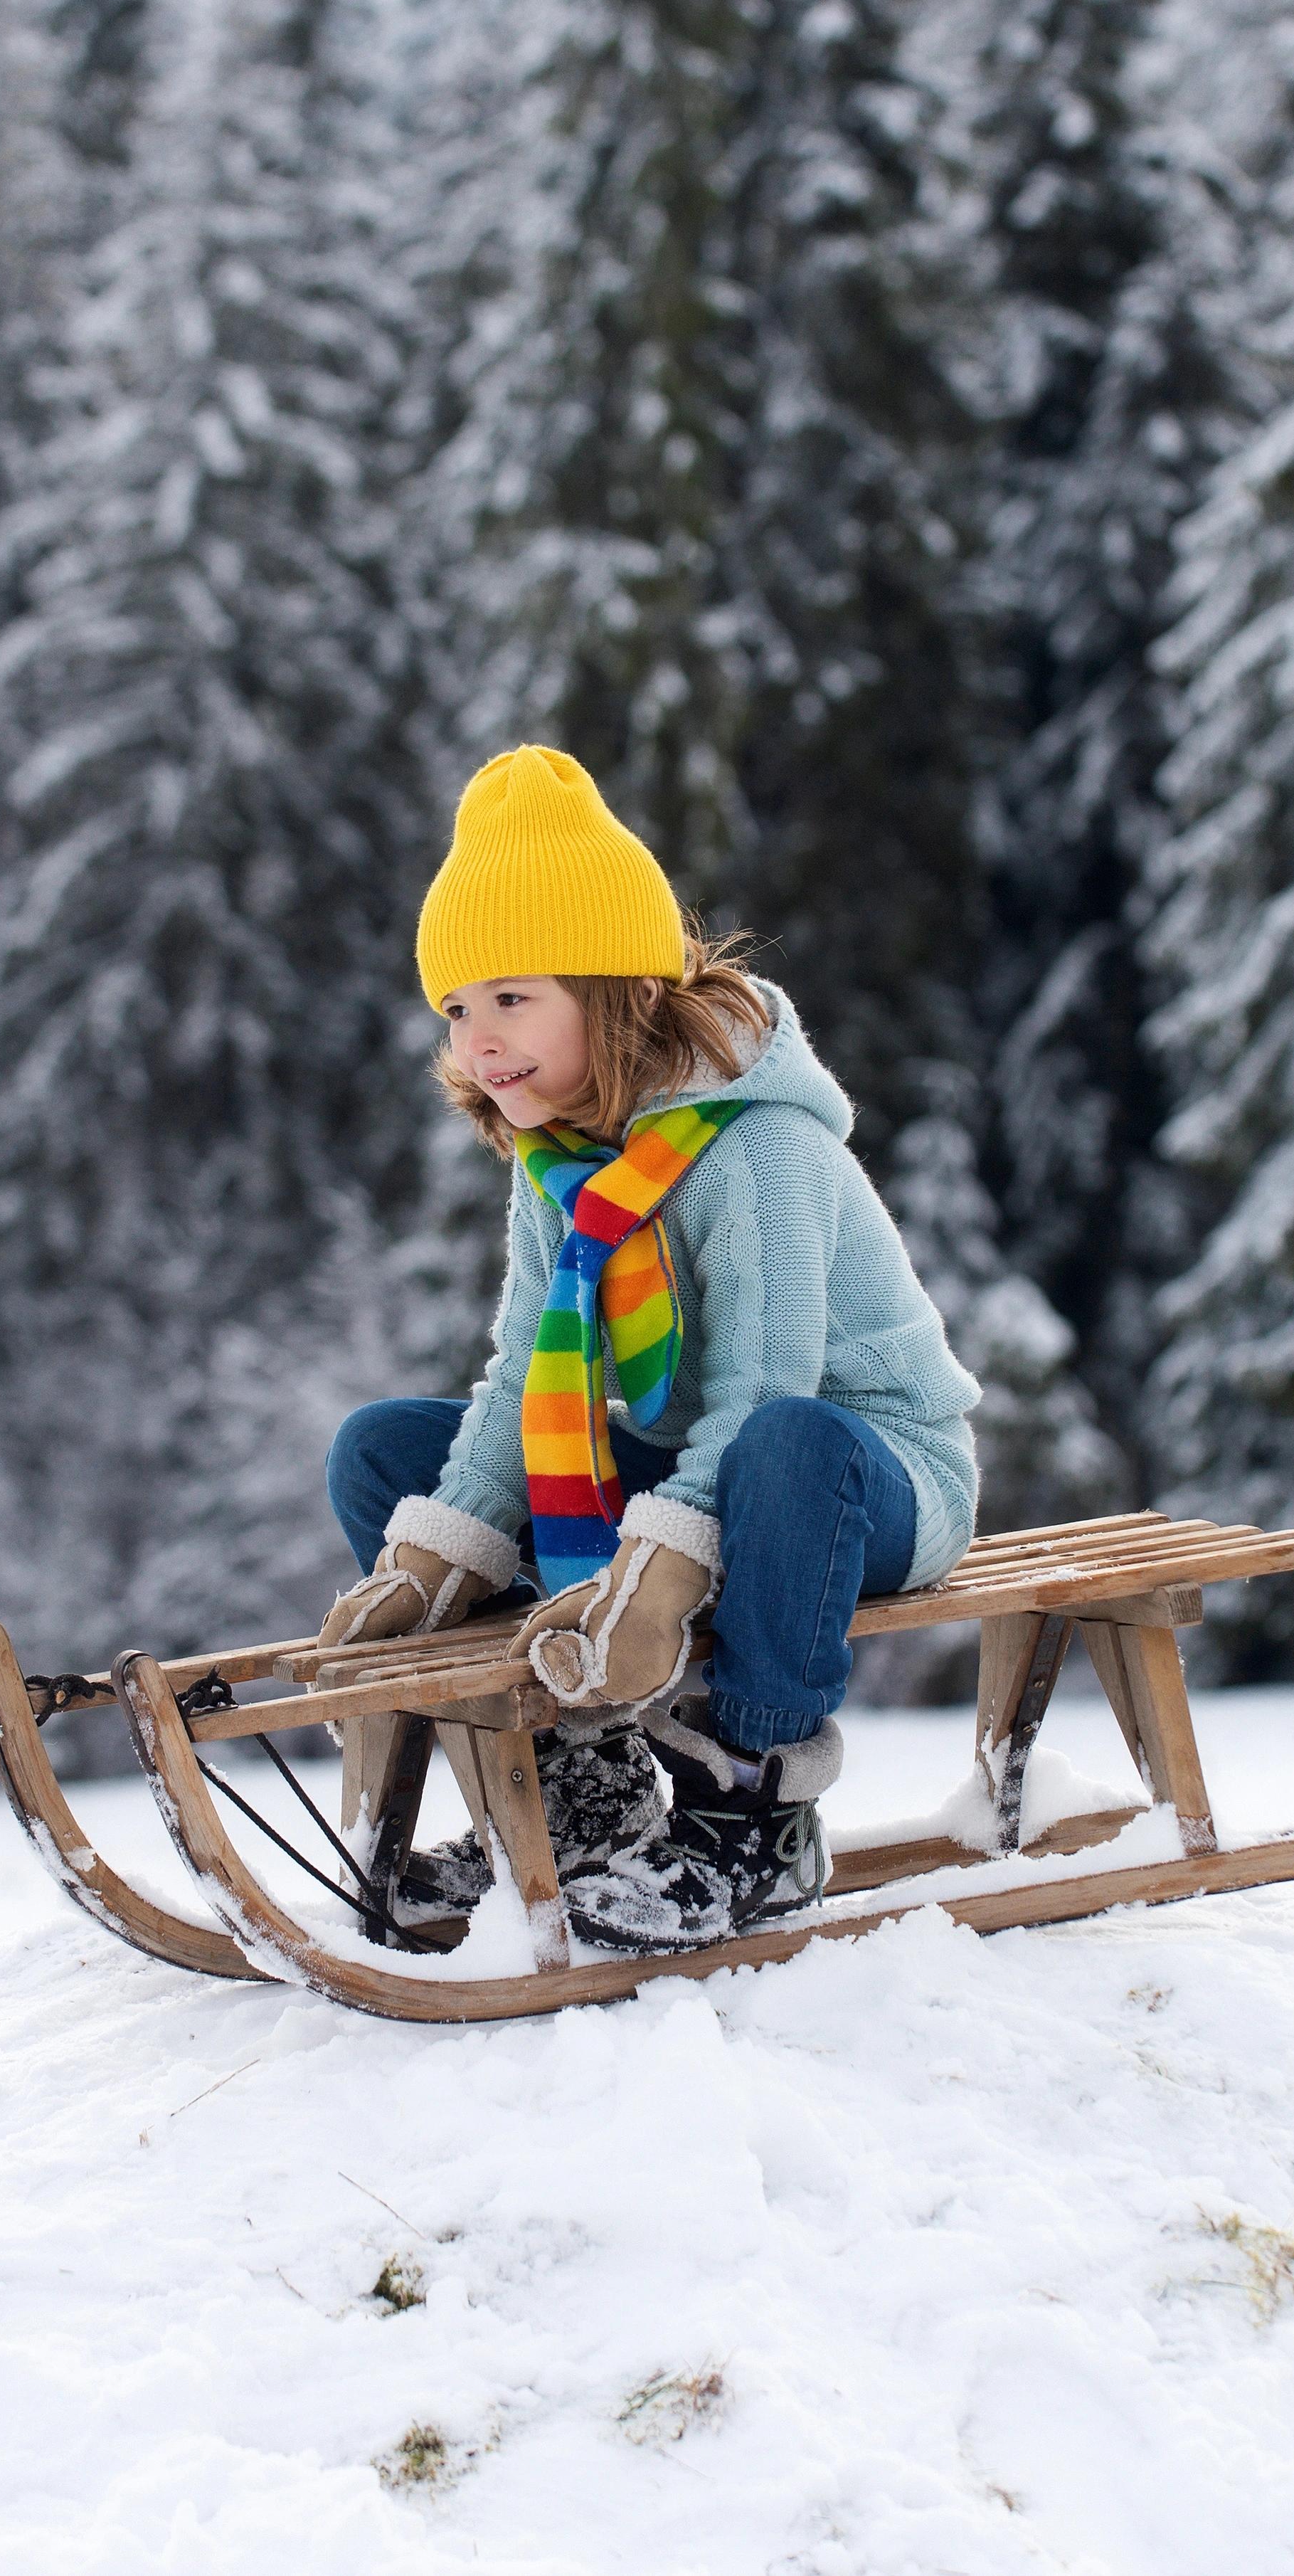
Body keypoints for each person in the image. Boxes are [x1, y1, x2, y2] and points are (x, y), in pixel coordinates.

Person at [318, 746, 983, 1953]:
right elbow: (525, 1379)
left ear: (613, 987)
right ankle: (580, 1783)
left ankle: (755, 1814)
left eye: (512, 998)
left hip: (857, 1479)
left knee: (786, 1440)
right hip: (702, 1470)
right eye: (458, 1011)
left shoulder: (758, 1150)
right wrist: (437, 1549)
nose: (480, 1041)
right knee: (386, 1452)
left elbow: (763, 1395)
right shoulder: (562, 1164)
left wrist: (662, 1567)